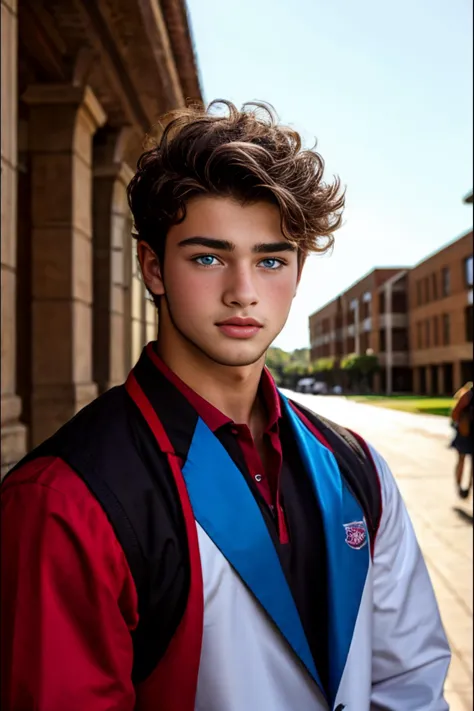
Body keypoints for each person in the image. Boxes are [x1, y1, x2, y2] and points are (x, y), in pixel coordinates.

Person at [1, 101, 450, 711]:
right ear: (153, 266)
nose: (243, 292)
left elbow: (410, 682)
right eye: (208, 257)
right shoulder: (63, 499)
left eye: (269, 260)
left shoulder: (358, 467)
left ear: (297, 271)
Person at [451, 383, 473, 499]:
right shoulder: (468, 395)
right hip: (465, 434)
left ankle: (466, 487)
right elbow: (455, 413)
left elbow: (454, 414)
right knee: (462, 460)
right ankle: (460, 487)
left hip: (466, 433)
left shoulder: (468, 395)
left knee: (462, 460)